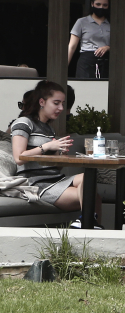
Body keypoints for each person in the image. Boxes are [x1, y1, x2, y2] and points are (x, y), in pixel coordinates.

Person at [9, 80, 99, 228]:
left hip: (56, 179)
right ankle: (88, 224)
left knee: (88, 178)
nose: (61, 108)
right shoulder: (23, 123)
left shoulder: (49, 129)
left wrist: (59, 155)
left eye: (62, 103)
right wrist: (48, 146)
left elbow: (55, 168)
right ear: (42, 102)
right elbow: (19, 157)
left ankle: (87, 223)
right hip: (37, 183)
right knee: (91, 195)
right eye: (56, 103)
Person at [67, 0, 111, 79]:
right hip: (86, 61)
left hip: (106, 61)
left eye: (105, 5)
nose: (101, 7)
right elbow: (72, 46)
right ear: (92, 4)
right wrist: (63, 67)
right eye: (98, 4)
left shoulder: (112, 24)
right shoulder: (82, 22)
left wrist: (108, 47)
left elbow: (119, 45)